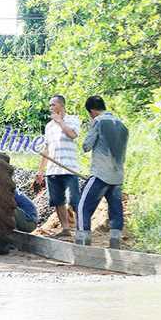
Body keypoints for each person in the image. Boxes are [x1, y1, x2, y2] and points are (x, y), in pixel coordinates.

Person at [76, 96, 129, 249]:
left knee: (82, 206)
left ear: (92, 111)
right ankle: (115, 243)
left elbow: (87, 146)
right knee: (115, 210)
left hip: (100, 174)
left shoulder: (98, 122)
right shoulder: (122, 125)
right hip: (118, 176)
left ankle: (82, 244)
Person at [35, 95, 81, 237]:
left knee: (74, 200)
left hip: (69, 168)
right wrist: (40, 171)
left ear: (61, 105)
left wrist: (60, 121)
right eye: (50, 105)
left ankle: (81, 229)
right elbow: (47, 149)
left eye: (53, 105)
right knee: (58, 201)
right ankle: (66, 229)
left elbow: (72, 135)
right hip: (53, 171)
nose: (50, 108)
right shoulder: (48, 126)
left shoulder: (73, 120)